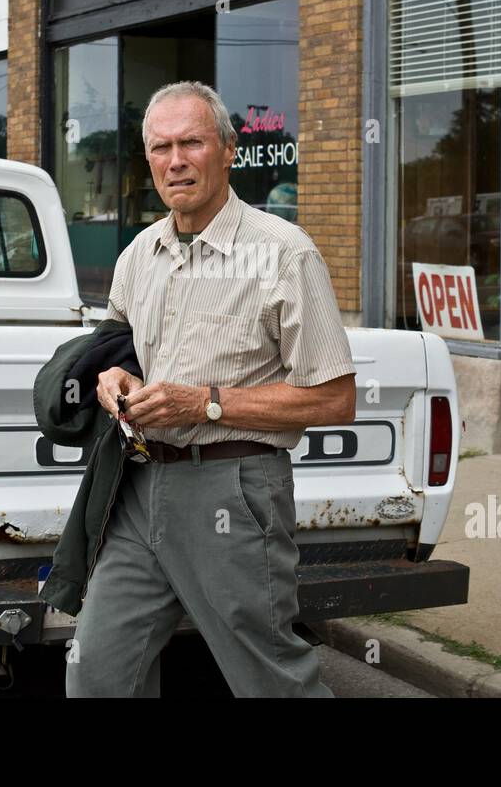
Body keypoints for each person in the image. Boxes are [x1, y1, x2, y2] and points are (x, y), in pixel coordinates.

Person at [67, 81, 357, 698]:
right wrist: (113, 382)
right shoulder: (139, 255)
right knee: (97, 673)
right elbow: (117, 356)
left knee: (269, 678)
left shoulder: (285, 255)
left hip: (235, 489)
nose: (176, 160)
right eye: (161, 147)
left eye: (192, 142)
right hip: (139, 487)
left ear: (228, 150)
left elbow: (335, 398)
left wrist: (205, 402)